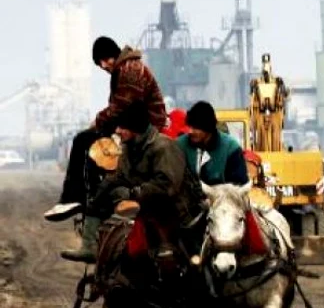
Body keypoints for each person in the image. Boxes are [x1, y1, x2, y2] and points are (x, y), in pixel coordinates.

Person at [61, 101, 204, 263]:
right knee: (101, 202)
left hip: (173, 214)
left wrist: (134, 193)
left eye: (122, 127)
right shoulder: (129, 148)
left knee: (174, 262)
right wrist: (99, 196)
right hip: (144, 206)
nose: (117, 131)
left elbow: (167, 186)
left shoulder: (164, 148)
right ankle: (89, 247)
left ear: (135, 129)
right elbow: (118, 176)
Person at [44, 36, 168, 222]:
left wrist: (97, 121)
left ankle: (77, 198)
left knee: (83, 141)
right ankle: (82, 197)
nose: (104, 67)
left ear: (109, 56)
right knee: (92, 146)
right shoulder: (125, 69)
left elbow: (122, 106)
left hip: (143, 125)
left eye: (103, 62)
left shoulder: (129, 70)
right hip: (134, 121)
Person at [176, 101, 248, 186]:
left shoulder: (231, 148)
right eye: (190, 126)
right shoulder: (179, 145)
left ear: (208, 128)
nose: (190, 131)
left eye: (195, 128)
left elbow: (239, 185)